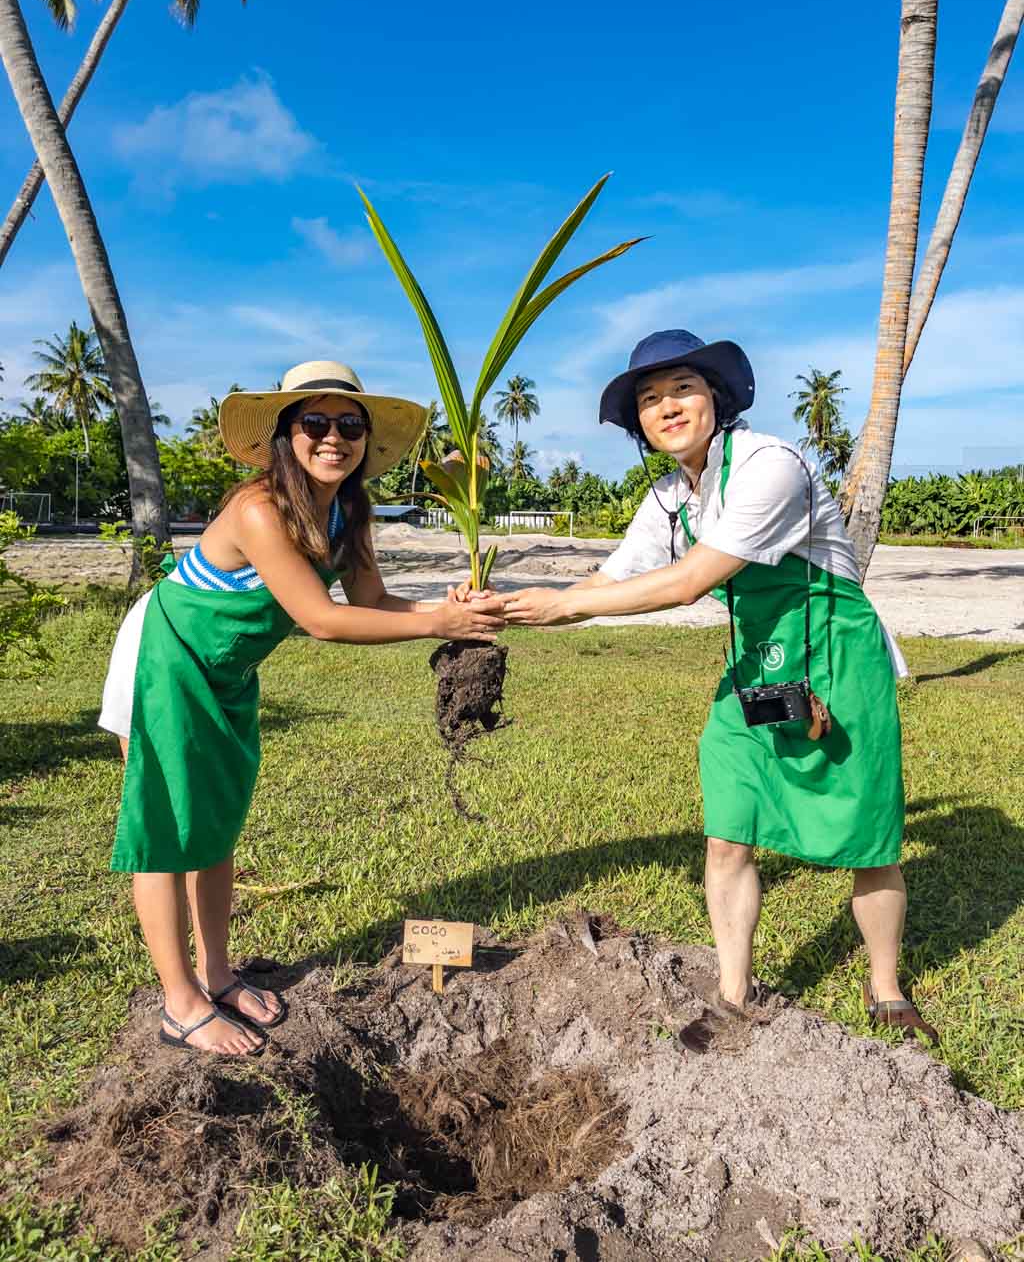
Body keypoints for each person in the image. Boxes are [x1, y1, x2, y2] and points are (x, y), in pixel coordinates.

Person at [504, 330, 937, 1044]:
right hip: (760, 665)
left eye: (681, 389)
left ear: (717, 397)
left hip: (835, 654)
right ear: (638, 423)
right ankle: (735, 990)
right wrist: (502, 610)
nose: (665, 407)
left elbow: (688, 581)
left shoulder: (772, 465)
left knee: (870, 838)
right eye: (648, 399)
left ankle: (884, 981)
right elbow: (607, 580)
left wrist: (567, 606)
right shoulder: (674, 496)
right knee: (728, 829)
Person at [100, 360, 504, 1057]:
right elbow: (321, 619)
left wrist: (447, 609)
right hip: (163, 658)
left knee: (217, 824)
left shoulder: (348, 511)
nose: (333, 437)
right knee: (167, 828)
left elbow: (371, 604)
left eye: (350, 425)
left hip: (226, 671)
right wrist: (440, 627)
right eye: (314, 422)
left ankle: (218, 974)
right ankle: (181, 1001)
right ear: (286, 435)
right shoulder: (260, 509)